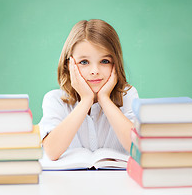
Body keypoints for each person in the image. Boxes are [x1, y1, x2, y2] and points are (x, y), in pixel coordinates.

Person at [39, 19, 138, 161]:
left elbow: (138, 148)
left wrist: (104, 99)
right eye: (84, 62)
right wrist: (86, 100)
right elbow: (51, 151)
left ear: (115, 64)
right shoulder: (55, 100)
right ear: (69, 65)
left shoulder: (128, 95)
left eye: (105, 61)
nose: (95, 71)